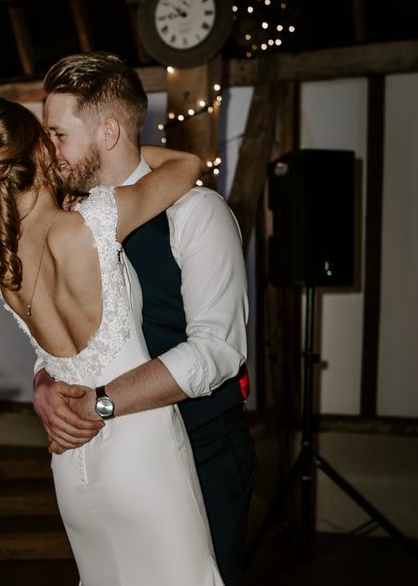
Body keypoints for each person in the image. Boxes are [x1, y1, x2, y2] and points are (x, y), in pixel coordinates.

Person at [0, 96, 224, 585]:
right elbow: (187, 166)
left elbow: (50, 360)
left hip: (70, 462)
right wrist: (110, 143)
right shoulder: (96, 220)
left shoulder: (1, 263)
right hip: (141, 452)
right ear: (40, 152)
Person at [33, 52, 258, 585]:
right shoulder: (68, 224)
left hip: (202, 451)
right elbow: (58, 336)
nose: (49, 150)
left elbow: (217, 351)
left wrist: (102, 402)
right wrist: (44, 385)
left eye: (58, 134)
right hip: (111, 461)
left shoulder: (197, 214)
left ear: (108, 133)